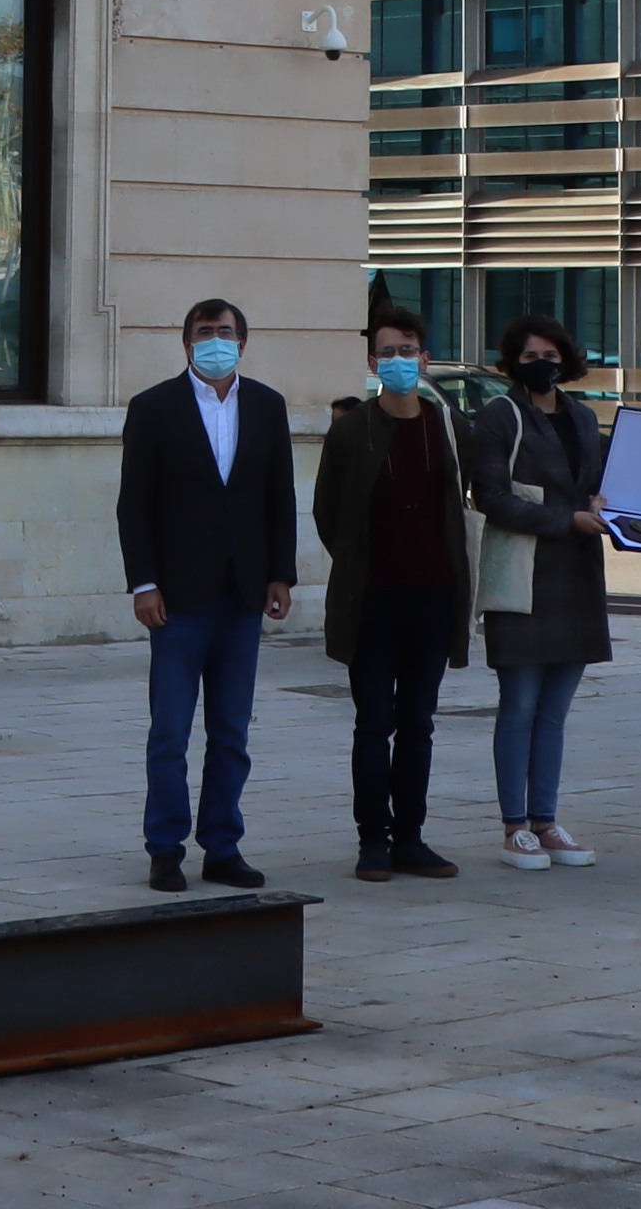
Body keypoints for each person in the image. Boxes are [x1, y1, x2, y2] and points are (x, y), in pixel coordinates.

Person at [114, 294, 293, 893]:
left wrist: (280, 574)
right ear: (186, 340)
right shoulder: (154, 407)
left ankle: (223, 844)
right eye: (204, 331)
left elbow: (279, 497)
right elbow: (133, 503)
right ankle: (165, 848)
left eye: (226, 331)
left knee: (231, 732)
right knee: (169, 730)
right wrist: (144, 582)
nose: (215, 339)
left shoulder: (267, 406)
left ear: (243, 340)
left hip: (242, 593)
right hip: (177, 596)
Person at [308, 303, 472, 883]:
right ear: (372, 360)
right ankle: (371, 840)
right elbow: (326, 512)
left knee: (419, 721)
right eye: (387, 352)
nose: (398, 361)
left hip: (433, 597)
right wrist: (360, 566)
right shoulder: (352, 430)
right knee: (373, 720)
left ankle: (412, 837)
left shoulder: (445, 424)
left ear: (425, 358)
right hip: (373, 600)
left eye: (408, 351)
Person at [464, 308, 613, 870]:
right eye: (530, 357)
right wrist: (564, 517)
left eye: (551, 356)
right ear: (512, 361)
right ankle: (513, 825)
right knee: (519, 706)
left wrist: (602, 505)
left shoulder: (580, 415)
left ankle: (546, 820)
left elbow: (596, 486)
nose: (542, 365)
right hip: (524, 577)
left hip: (576, 578)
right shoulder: (499, 415)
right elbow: (493, 496)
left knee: (554, 712)